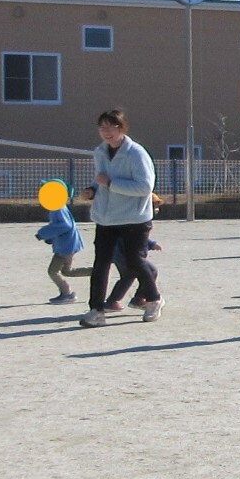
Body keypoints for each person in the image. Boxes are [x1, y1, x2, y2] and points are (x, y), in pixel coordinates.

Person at [79, 109, 162, 326]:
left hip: (134, 218)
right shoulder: (100, 152)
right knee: (100, 264)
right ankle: (96, 310)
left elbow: (145, 187)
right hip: (106, 218)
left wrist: (111, 184)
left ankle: (154, 299)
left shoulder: (137, 154)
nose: (106, 132)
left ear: (122, 128)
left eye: (112, 127)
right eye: (102, 127)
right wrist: (92, 190)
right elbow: (100, 180)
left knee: (134, 261)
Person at [35, 181, 85, 304]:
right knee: (68, 271)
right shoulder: (58, 206)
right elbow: (59, 226)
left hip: (66, 245)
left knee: (53, 271)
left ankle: (67, 293)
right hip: (67, 244)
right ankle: (98, 272)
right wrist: (51, 237)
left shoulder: (57, 207)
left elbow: (64, 225)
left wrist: (43, 233)